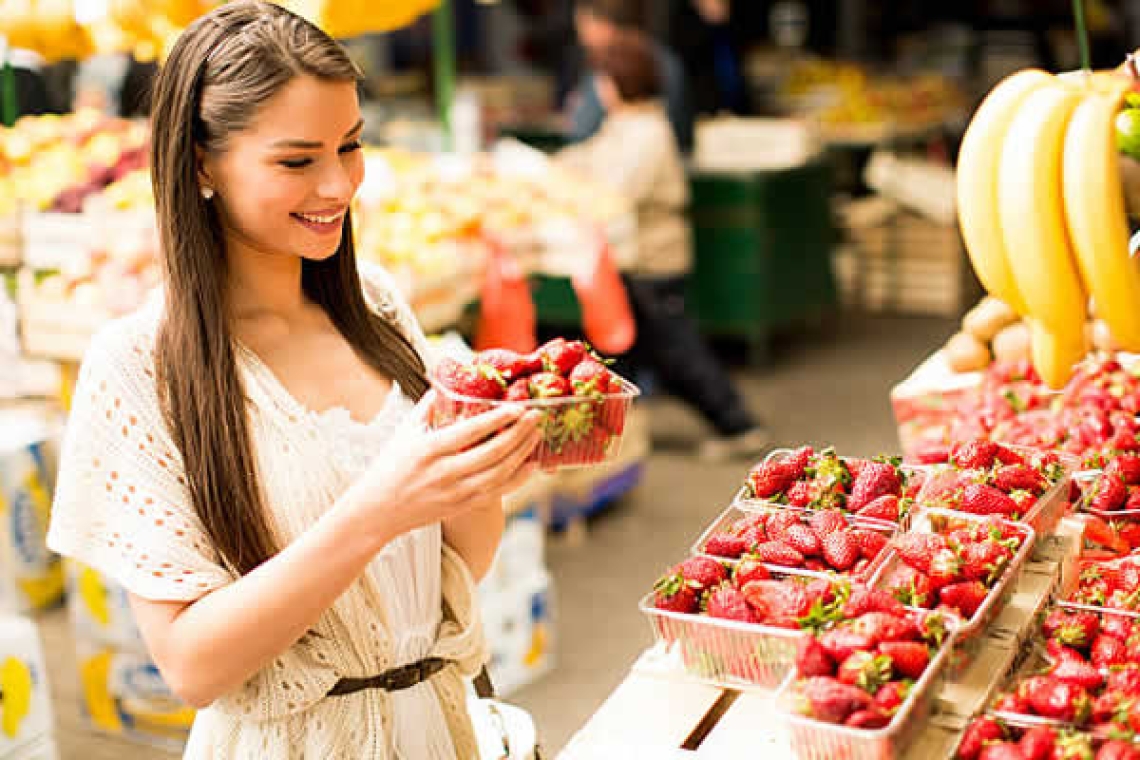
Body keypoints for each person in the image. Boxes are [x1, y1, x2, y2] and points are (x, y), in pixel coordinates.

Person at [46, 3, 541, 757]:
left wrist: (485, 463)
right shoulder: (139, 368)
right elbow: (190, 666)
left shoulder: (373, 303)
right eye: (297, 160)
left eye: (350, 146)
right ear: (202, 164)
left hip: (440, 728)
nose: (339, 185)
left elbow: (455, 570)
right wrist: (380, 509)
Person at [557, 32, 769, 461]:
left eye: (602, 78)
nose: (599, 88)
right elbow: (589, 158)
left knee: (677, 352)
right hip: (634, 261)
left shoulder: (647, 133)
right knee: (625, 353)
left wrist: (568, 190)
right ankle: (614, 438)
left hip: (655, 263)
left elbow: (616, 190)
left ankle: (739, 425)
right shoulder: (624, 127)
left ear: (618, 82)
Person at [568, 0, 694, 153]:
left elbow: (582, 131)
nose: (582, 39)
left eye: (583, 27)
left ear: (603, 24)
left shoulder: (611, 65)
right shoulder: (664, 59)